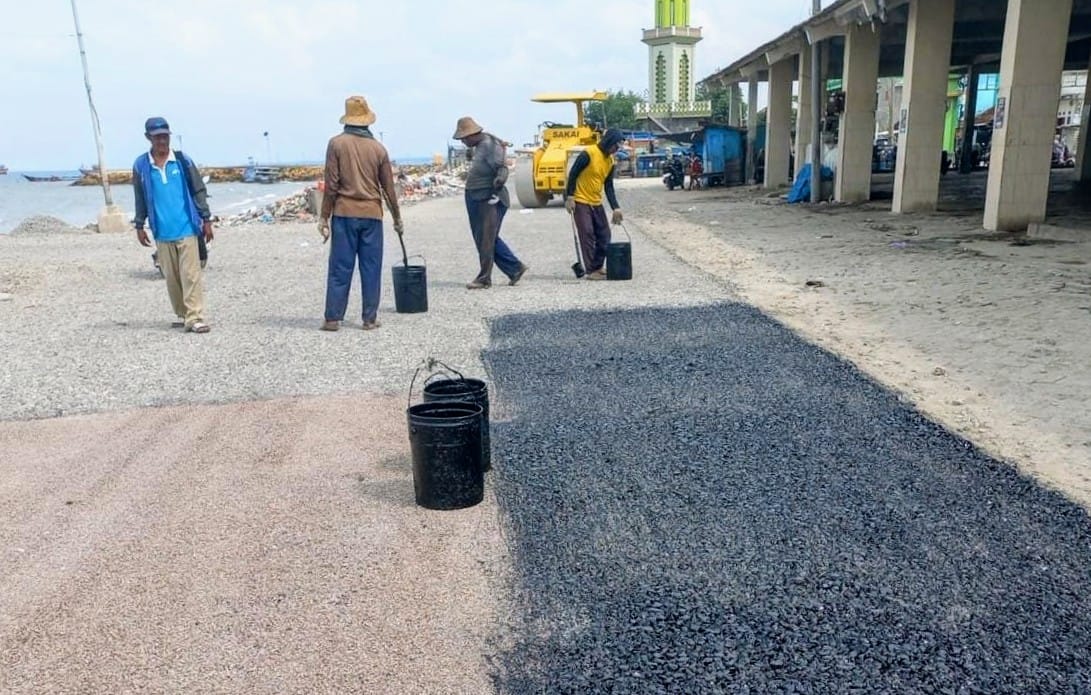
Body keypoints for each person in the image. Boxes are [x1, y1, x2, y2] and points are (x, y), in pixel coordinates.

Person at [318, 96, 403, 331]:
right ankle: (369, 318)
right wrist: (397, 218)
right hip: (372, 214)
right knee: (371, 267)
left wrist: (324, 216)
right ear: (367, 121)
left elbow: (331, 184)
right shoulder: (378, 148)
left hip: (344, 213)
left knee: (340, 267)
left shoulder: (336, 144)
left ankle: (333, 318)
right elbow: (388, 189)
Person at [132, 117, 214, 333]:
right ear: (148, 137)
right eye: (157, 137)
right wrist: (139, 225)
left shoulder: (182, 161)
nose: (162, 141)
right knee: (172, 278)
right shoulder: (141, 166)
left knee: (191, 274)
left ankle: (195, 316)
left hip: (187, 226)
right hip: (161, 230)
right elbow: (139, 197)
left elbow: (198, 190)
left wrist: (206, 219)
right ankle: (183, 313)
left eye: (165, 136)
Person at [452, 116, 528, 290]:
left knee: (486, 239)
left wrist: (496, 187)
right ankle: (515, 268)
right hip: (477, 196)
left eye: (463, 138)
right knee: (486, 238)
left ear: (472, 135)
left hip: (488, 198)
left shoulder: (489, 146)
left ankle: (484, 278)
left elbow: (502, 169)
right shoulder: (480, 145)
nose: (463, 142)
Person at [564, 128, 626, 280]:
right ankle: (591, 270)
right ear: (608, 142)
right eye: (615, 146)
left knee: (605, 235)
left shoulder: (610, 161)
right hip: (580, 200)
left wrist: (615, 207)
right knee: (587, 233)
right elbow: (573, 174)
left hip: (596, 201)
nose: (616, 150)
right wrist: (569, 196)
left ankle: (598, 266)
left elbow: (608, 186)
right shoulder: (589, 153)